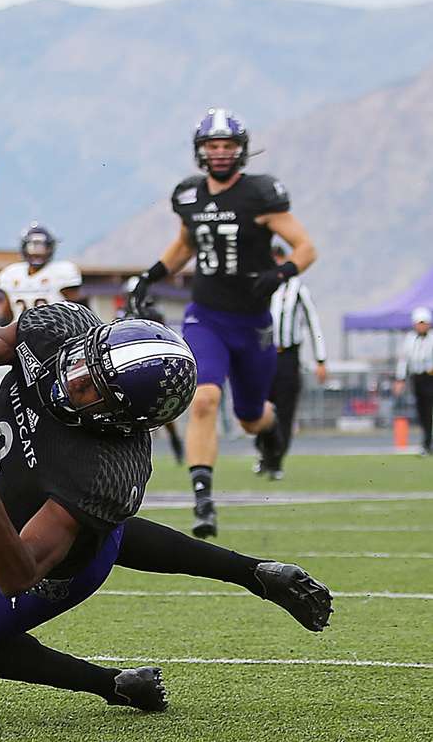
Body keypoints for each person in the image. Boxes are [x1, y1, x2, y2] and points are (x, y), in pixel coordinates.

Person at [0, 302, 333, 712]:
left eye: (91, 390)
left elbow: (17, 574)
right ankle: (256, 573)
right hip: (70, 517)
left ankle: (114, 684)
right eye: (82, 364)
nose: (73, 381)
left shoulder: (108, 468)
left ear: (121, 420)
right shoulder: (62, 328)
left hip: (60, 567)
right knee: (105, 526)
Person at [128, 108, 317, 538]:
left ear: (241, 150)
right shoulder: (190, 196)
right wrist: (151, 275)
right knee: (205, 398)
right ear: (200, 151)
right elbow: (184, 245)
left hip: (251, 323)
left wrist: (281, 273)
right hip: (206, 315)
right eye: (212, 146)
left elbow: (305, 247)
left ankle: (269, 433)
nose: (219, 153)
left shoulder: (260, 195)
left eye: (227, 146)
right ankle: (203, 499)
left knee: (250, 416)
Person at [257, 241, 328, 479]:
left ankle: (276, 461)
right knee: (260, 406)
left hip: (288, 355)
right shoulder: (264, 287)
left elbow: (313, 323)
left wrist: (321, 359)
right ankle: (264, 454)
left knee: (285, 409)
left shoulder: (298, 288)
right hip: (265, 354)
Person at [118, 276, 184, 464]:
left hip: (151, 366)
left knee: (161, 410)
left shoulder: (153, 314)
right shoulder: (121, 314)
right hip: (127, 367)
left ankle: (174, 441)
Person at [0, 222, 82, 323]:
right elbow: (7, 315)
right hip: (19, 332)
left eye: (42, 247)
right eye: (32, 247)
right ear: (24, 247)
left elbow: (78, 309)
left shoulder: (62, 271)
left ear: (50, 248)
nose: (37, 253)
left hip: (55, 332)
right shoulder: (11, 273)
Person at [394, 307, 433, 455]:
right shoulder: (410, 339)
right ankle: (427, 443)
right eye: (419, 323)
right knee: (422, 412)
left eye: (424, 323)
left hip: (431, 377)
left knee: (430, 411)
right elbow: (404, 361)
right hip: (417, 378)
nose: (421, 326)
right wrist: (400, 379)